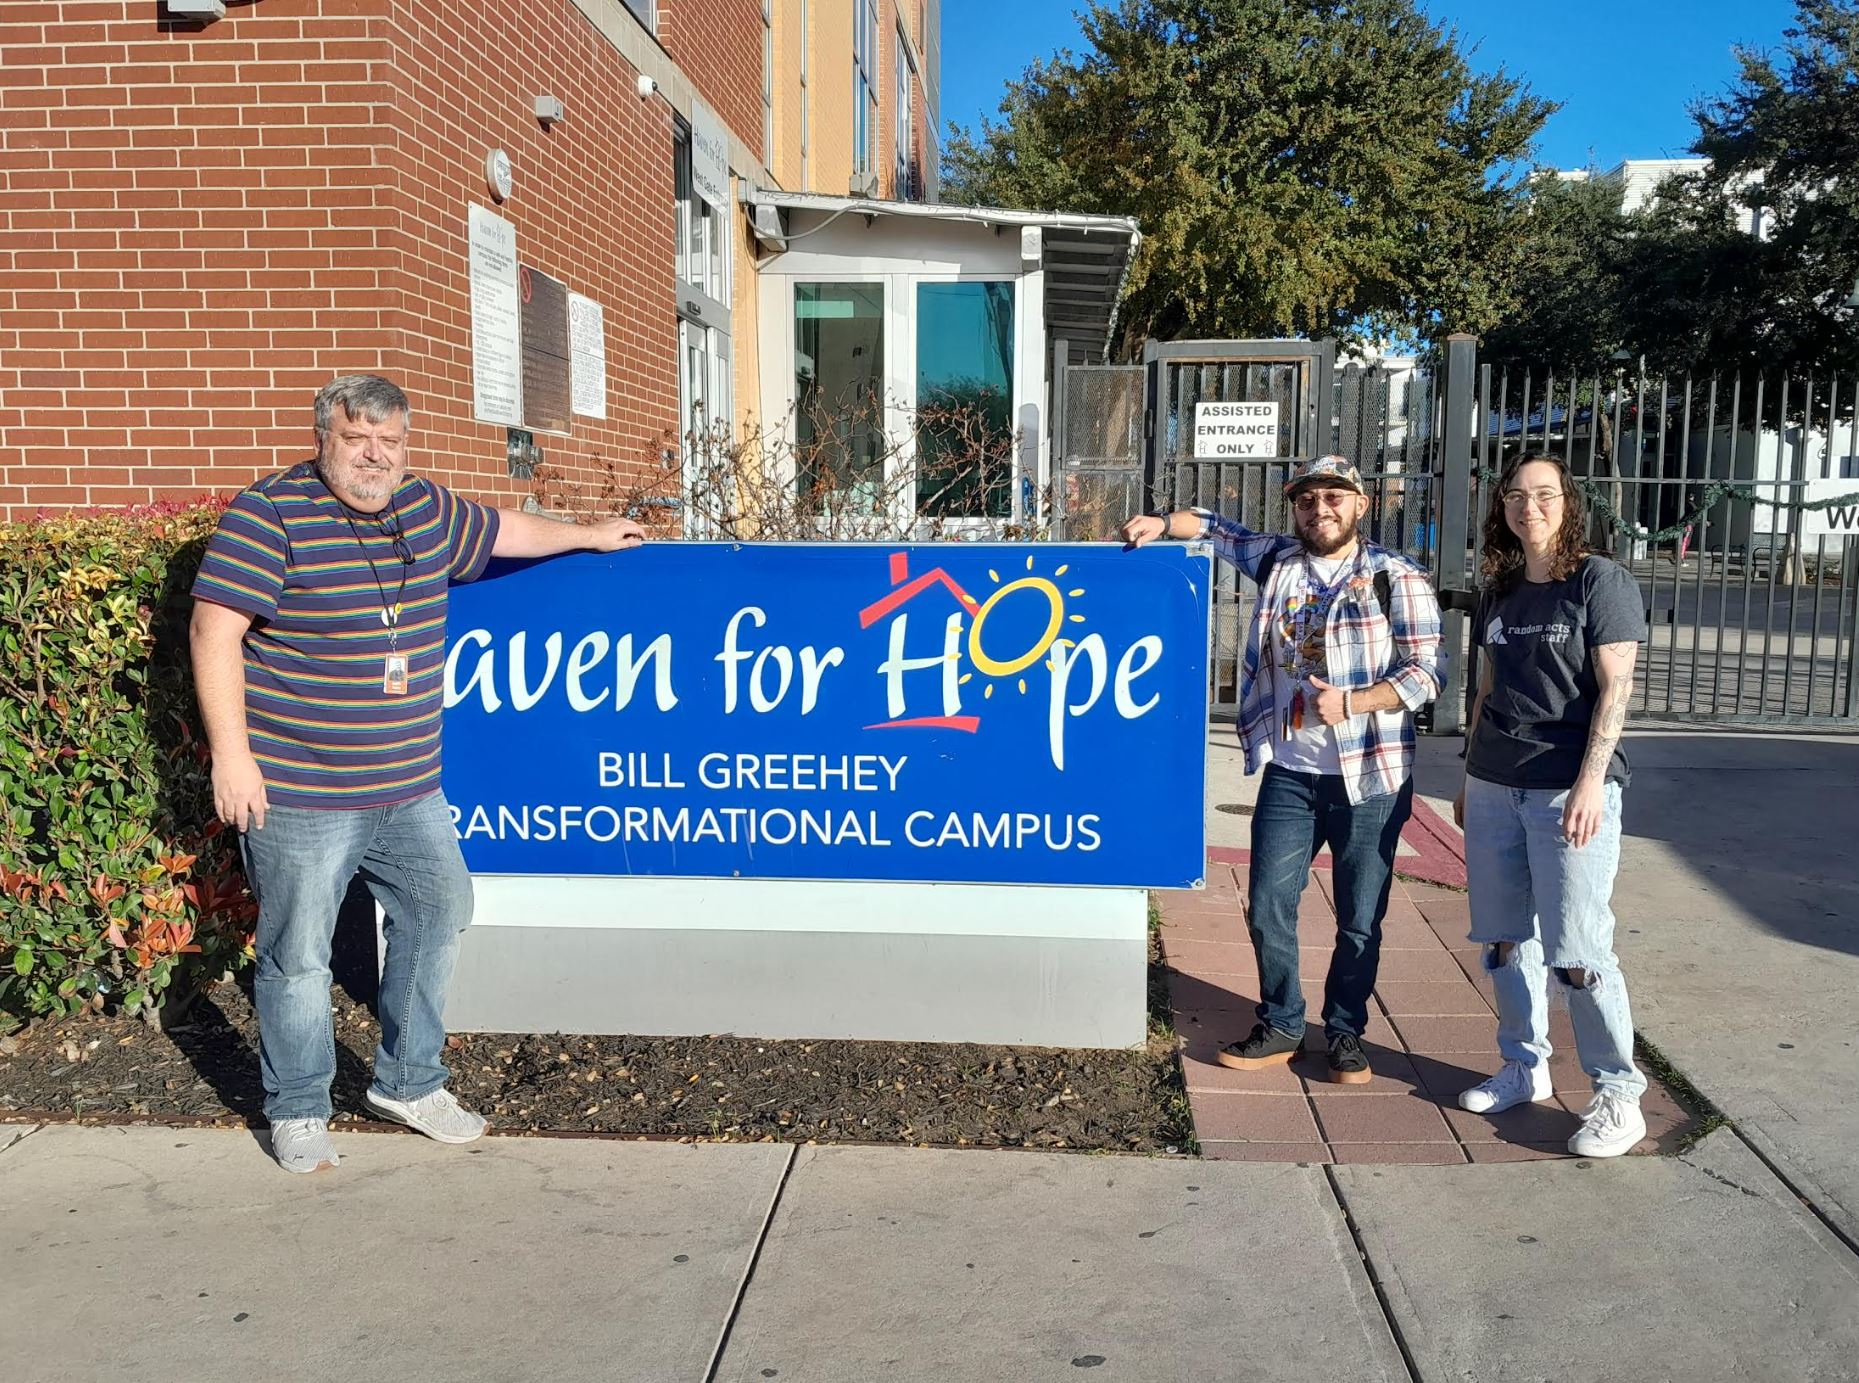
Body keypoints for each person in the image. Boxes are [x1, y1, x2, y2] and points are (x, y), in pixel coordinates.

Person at [190, 374, 645, 1174]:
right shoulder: (268, 515)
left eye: (390, 441)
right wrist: (233, 755)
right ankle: (298, 1106)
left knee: (441, 905)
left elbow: (501, 527)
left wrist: (583, 533)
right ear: (323, 436)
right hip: (301, 787)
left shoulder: (422, 506)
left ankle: (407, 1081)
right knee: (297, 954)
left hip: (406, 783)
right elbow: (212, 629)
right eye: (357, 437)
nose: (375, 455)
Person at [1122, 456, 1445, 1084]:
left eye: (1333, 498)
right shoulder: (1280, 562)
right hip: (1292, 772)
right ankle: (1283, 1021)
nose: (1319, 510)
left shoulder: (1394, 576)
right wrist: (1161, 523)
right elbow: (1215, 529)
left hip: (1370, 776)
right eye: (1307, 500)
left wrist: (1351, 702)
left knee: (1359, 914)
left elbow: (1428, 673)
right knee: (1269, 902)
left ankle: (1346, 1031)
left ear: (1360, 505)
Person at [1453, 452, 1649, 1158]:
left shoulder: (1599, 581)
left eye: (1543, 494)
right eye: (1515, 495)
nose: (1527, 506)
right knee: (1504, 938)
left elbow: (1615, 690)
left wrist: (1592, 781)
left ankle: (1618, 1094)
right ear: (1500, 506)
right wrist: (1465, 773)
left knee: (1578, 950)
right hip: (1494, 781)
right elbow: (1484, 686)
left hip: (1569, 788)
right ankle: (1522, 1064)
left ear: (1567, 503)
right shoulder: (1500, 589)